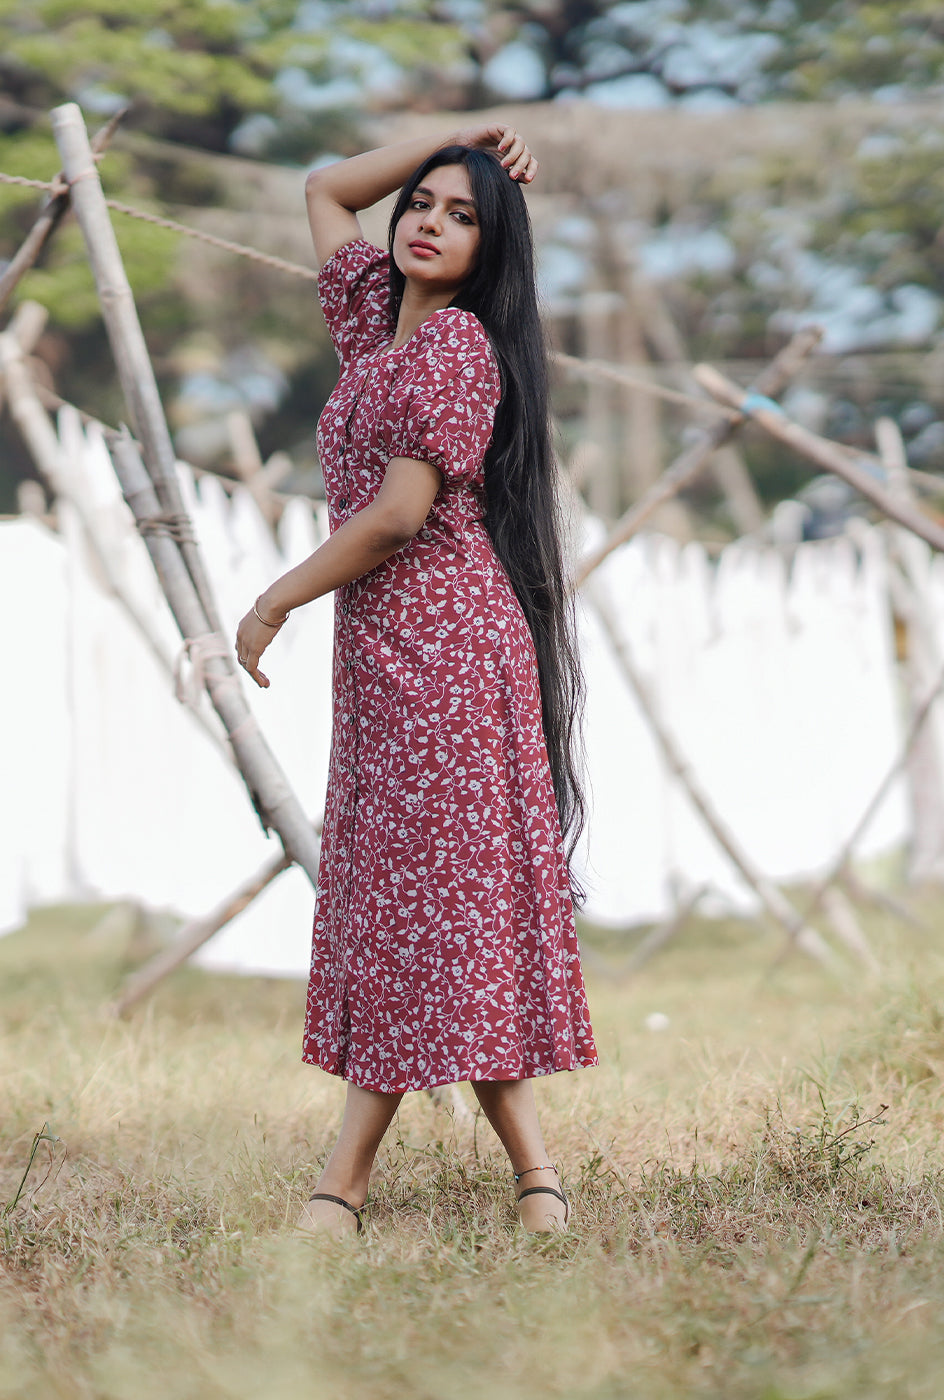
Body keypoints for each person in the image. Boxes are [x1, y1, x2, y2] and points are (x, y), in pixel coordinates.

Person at [235, 123, 597, 1236]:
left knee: (421, 905)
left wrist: (273, 597)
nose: (429, 223)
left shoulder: (453, 351)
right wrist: (457, 136)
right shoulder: (372, 330)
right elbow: (323, 186)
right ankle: (536, 1181)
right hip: (389, 652)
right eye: (423, 204)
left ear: (494, 251)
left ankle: (338, 1188)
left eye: (462, 215)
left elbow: (395, 517)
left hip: (443, 645)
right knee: (427, 904)